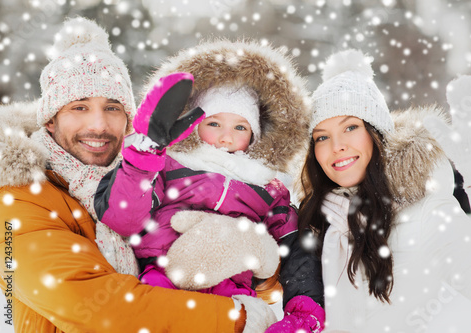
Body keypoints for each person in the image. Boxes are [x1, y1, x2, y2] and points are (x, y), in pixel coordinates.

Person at [0, 17, 260, 332]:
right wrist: (236, 317)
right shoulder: (15, 198)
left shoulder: (146, 181)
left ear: (128, 119)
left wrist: (249, 254)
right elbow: (95, 306)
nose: (98, 125)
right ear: (50, 121)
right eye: (79, 107)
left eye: (112, 108)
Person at [94, 39, 325, 331]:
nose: (226, 137)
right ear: (193, 124)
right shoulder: (168, 163)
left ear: (254, 135)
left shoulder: (267, 186)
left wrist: (305, 312)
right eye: (214, 123)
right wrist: (145, 156)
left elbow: (297, 249)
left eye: (240, 127)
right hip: (164, 276)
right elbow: (123, 218)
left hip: (231, 289)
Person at [297, 49, 471, 332]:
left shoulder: (428, 214)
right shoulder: (313, 222)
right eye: (322, 137)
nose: (336, 146)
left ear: (376, 132)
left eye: (351, 127)